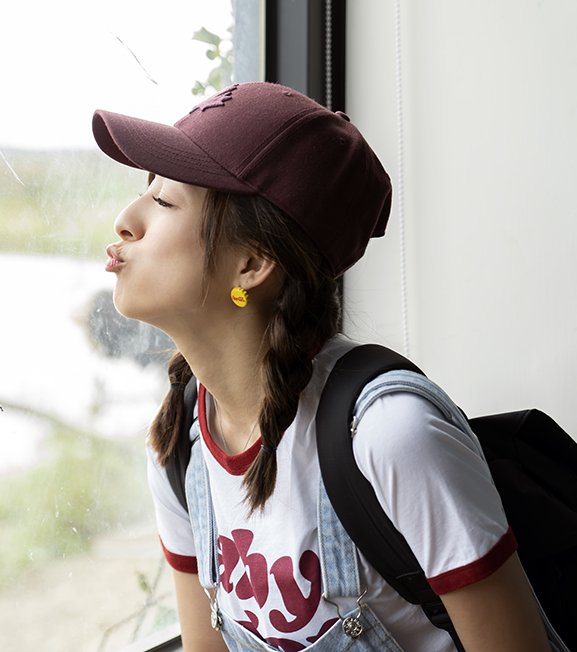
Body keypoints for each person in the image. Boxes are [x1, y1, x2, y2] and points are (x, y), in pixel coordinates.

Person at [92, 82, 553, 652]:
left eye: (163, 203)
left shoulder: (391, 435)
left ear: (253, 262)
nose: (125, 220)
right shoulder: (179, 447)